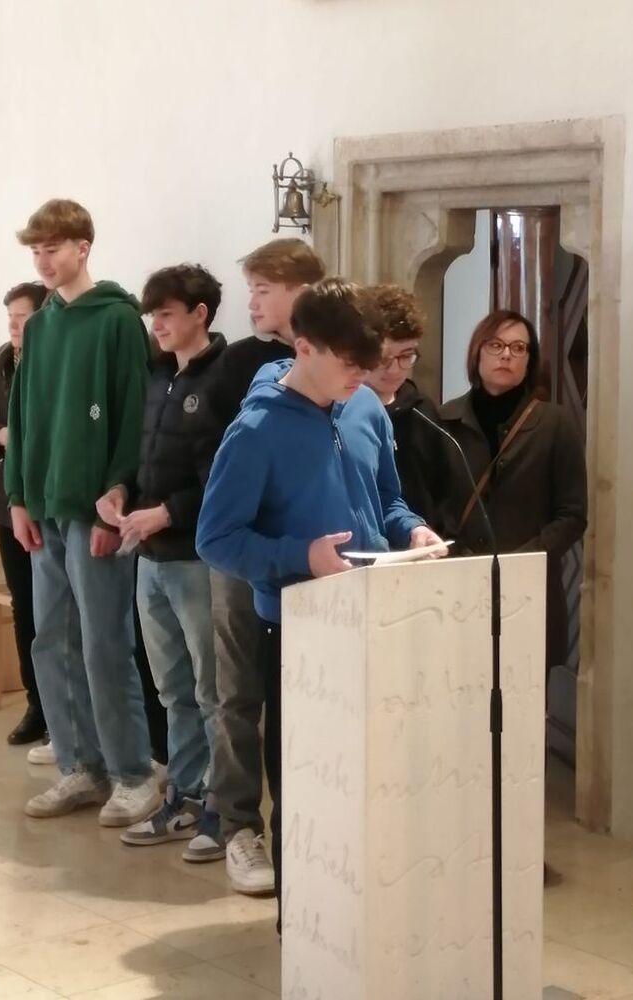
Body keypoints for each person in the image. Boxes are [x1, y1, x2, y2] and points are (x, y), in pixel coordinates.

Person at [196, 278, 448, 931]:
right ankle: (308, 932)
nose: (364, 377)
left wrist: (413, 529)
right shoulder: (256, 430)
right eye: (350, 363)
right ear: (304, 348)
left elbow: (387, 500)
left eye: (371, 362)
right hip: (300, 633)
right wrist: (298, 557)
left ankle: (378, 927)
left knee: (379, 784)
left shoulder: (364, 406)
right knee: (311, 792)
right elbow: (215, 538)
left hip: (379, 620)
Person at [5, 198, 160, 824]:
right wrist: (18, 496)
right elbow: (22, 416)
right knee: (51, 640)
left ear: (82, 248)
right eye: (36, 251)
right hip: (43, 505)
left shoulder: (118, 319)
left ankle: (132, 774)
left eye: (53, 249)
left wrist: (114, 500)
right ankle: (79, 767)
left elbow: (134, 415)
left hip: (95, 509)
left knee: (103, 642)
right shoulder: (41, 326)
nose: (43, 261)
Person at [207, 238, 325, 895]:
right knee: (238, 692)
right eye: (250, 289)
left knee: (302, 703)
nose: (251, 303)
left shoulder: (333, 365)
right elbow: (217, 459)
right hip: (243, 549)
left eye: (262, 290)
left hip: (312, 566)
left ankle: (306, 833)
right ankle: (237, 826)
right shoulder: (241, 365)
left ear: (300, 291)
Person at [96, 264, 227, 861]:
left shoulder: (224, 378)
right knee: (173, 688)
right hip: (149, 555)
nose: (157, 324)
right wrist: (120, 492)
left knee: (211, 689)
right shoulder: (156, 377)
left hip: (196, 557)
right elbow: (141, 458)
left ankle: (222, 807)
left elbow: (221, 479)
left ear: (200, 313)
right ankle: (184, 793)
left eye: (167, 313)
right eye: (153, 314)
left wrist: (167, 514)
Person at [439, 309, 587, 675]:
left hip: (530, 588)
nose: (507, 355)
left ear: (529, 361)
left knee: (527, 696)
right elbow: (432, 506)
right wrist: (456, 556)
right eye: (496, 345)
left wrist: (522, 561)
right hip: (456, 587)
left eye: (518, 348)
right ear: (477, 353)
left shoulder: (555, 424)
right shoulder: (443, 420)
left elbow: (572, 514)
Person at [0, 281, 48, 744]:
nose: (12, 325)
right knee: (24, 607)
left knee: (55, 613)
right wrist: (5, 435)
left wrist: (19, 436)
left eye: (21, 317)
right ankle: (36, 704)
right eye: (9, 317)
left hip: (49, 499)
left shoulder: (56, 361)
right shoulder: (2, 362)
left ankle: (65, 710)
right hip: (10, 499)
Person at [364, 284, 447, 524]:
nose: (394, 369)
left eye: (406, 356)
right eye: (383, 357)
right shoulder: (339, 409)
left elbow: (444, 492)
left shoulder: (423, 411)